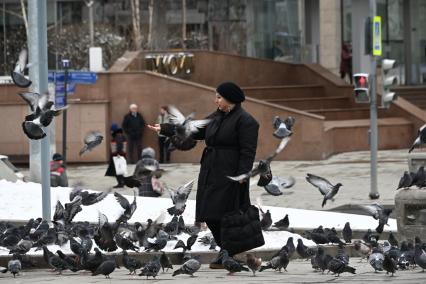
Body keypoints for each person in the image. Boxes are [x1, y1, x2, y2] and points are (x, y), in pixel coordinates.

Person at [148, 81, 259, 268]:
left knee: (226, 214)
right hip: (210, 169)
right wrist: (166, 129)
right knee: (208, 212)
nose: (215, 100)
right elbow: (195, 130)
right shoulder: (216, 116)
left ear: (230, 99)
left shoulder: (246, 121)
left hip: (231, 173)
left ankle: (229, 253)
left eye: (219, 97)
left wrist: (242, 176)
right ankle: (226, 251)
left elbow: (248, 151)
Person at [105, 123, 127, 188]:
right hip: (119, 155)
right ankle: (121, 182)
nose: (110, 131)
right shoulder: (119, 135)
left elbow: (119, 145)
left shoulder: (118, 136)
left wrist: (118, 154)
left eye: (111, 130)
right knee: (119, 170)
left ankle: (121, 183)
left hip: (118, 156)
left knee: (118, 170)